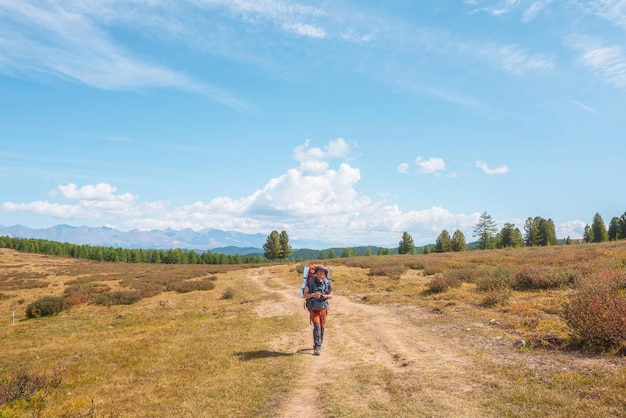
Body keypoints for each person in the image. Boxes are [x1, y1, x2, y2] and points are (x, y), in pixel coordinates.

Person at [303, 265, 333, 355]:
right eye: (320, 271)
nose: (321, 273)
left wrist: (325, 296)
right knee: (317, 326)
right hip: (313, 308)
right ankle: (317, 347)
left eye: (323, 272)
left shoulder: (326, 282)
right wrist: (313, 295)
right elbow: (305, 295)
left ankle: (320, 342)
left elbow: (331, 295)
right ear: (316, 273)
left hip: (323, 308)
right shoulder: (311, 282)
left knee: (322, 327)